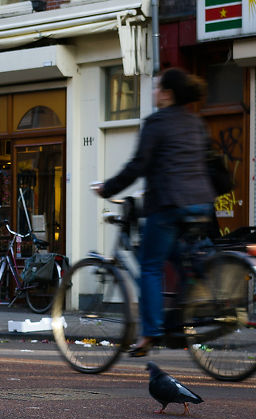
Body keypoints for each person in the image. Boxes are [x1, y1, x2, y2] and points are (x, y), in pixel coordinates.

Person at [94, 67, 215, 357]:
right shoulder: (195, 122)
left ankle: (149, 334)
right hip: (200, 204)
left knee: (149, 265)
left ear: (168, 94)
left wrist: (108, 188)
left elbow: (139, 165)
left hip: (168, 204)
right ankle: (198, 292)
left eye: (158, 87)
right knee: (180, 256)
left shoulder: (156, 123)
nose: (154, 91)